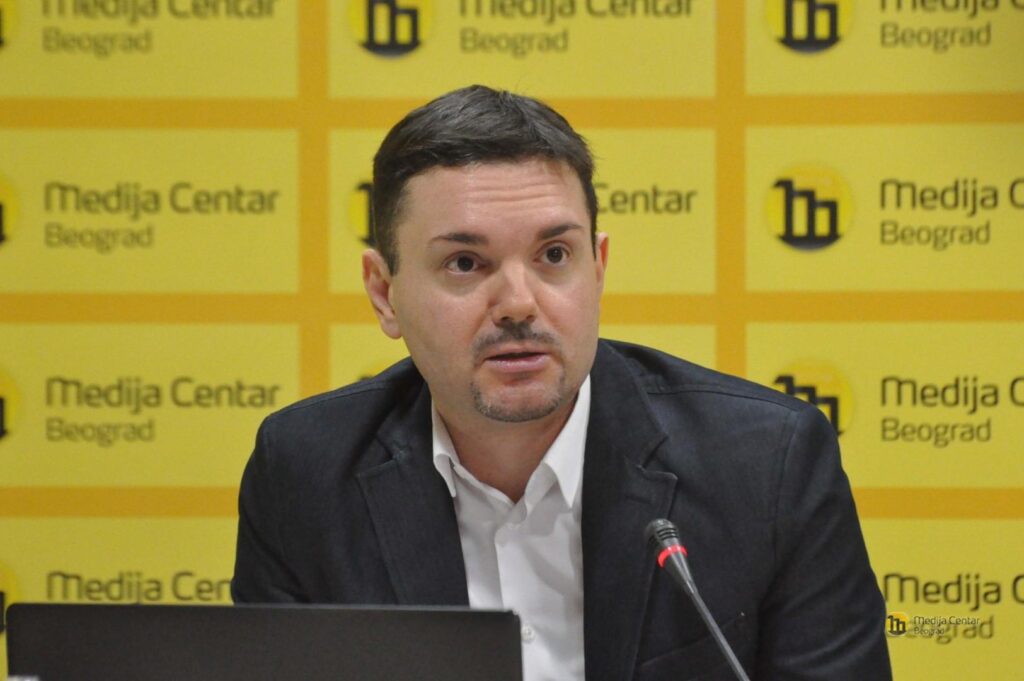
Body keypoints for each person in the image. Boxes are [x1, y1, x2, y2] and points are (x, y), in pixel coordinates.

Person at [232, 85, 892, 681]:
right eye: (465, 263)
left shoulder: (768, 465)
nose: (519, 303)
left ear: (597, 269)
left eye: (554, 255)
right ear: (384, 293)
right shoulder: (306, 474)